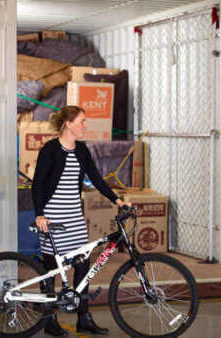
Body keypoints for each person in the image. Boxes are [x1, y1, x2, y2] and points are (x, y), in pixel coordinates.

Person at [32, 105, 130, 336]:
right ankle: (48, 320)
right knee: (51, 269)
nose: (86, 126)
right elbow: (37, 184)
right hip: (52, 217)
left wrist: (118, 201)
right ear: (69, 124)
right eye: (82, 121)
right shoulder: (50, 150)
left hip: (75, 217)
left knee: (83, 267)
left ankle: (83, 318)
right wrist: (39, 214)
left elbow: (96, 179)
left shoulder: (83, 151)